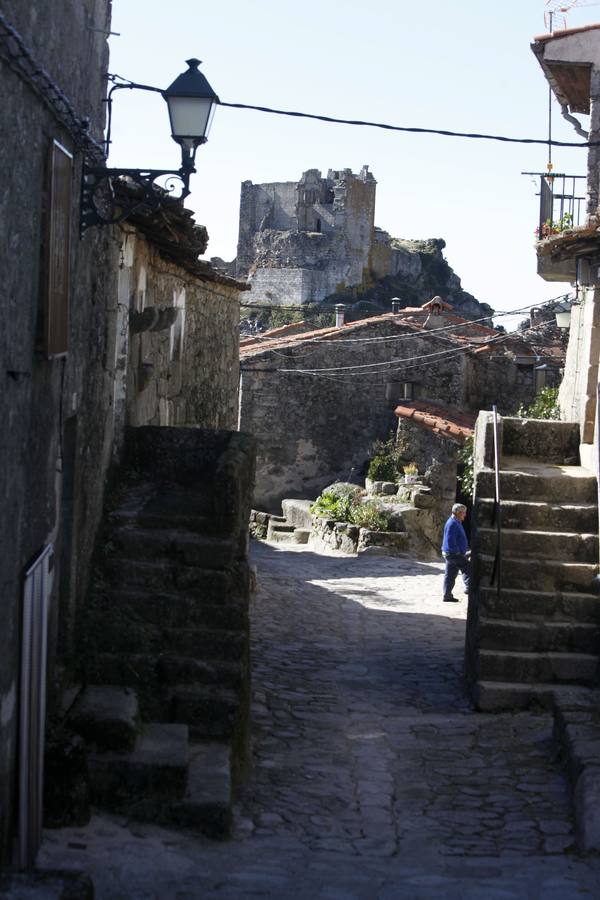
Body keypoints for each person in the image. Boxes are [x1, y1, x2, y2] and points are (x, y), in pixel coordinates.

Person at [441, 502, 470, 602]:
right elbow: (450, 540)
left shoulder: (456, 522)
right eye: (464, 512)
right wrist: (457, 552)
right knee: (467, 568)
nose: (465, 515)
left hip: (451, 553)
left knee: (450, 575)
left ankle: (447, 595)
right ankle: (469, 588)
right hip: (453, 554)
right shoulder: (452, 523)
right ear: (458, 513)